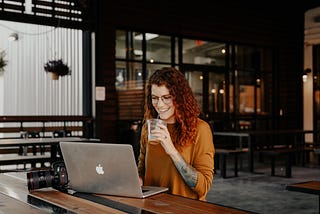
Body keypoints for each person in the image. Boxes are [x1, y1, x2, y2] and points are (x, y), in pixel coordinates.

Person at [137, 67, 215, 201]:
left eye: (166, 97)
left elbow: (203, 187)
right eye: (155, 98)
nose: (160, 104)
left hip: (185, 208)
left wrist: (171, 150)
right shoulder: (148, 128)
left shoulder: (200, 129)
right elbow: (142, 171)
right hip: (152, 207)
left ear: (179, 98)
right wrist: (132, 181)